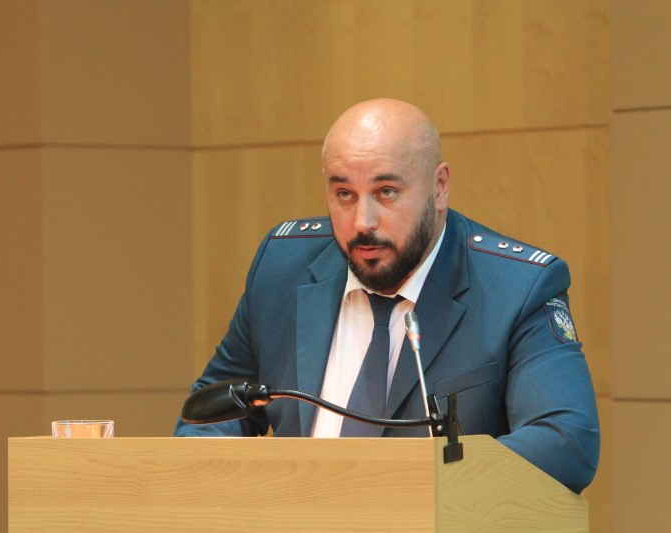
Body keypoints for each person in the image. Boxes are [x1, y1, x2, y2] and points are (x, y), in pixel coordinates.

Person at [174, 98, 600, 494]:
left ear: (439, 186)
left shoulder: (516, 287)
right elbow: (214, 410)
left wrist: (405, 489)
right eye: (344, 195)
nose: (363, 221)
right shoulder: (282, 269)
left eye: (386, 193)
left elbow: (564, 441)